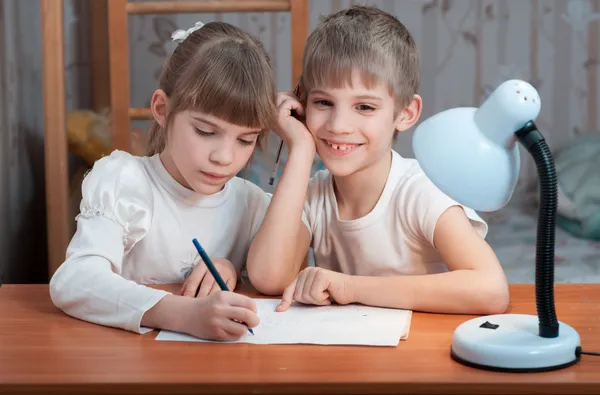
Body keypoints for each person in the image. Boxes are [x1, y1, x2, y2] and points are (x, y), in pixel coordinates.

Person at [247, 5, 509, 315]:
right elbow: (268, 277)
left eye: (365, 107)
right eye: (323, 102)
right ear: (302, 104)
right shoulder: (312, 195)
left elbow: (491, 290)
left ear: (405, 113)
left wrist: (351, 287)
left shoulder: (421, 192)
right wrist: (301, 147)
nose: (338, 124)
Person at [50, 21, 278, 341]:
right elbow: (73, 280)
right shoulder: (125, 181)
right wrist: (184, 314)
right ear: (162, 109)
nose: (224, 157)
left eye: (246, 140)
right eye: (205, 132)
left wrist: (230, 270)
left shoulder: (252, 204)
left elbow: (275, 283)